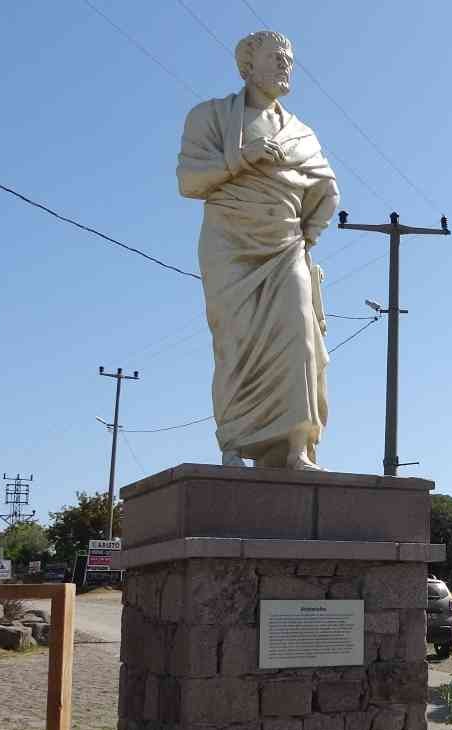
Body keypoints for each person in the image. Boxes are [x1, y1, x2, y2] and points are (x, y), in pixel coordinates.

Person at [176, 30, 340, 471]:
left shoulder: (302, 132)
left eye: (289, 57)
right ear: (246, 67)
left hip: (285, 245)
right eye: (275, 57)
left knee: (299, 338)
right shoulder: (209, 117)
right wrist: (241, 158)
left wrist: (310, 232)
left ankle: (296, 447)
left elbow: (327, 188)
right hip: (230, 244)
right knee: (235, 344)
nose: (286, 64)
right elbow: (189, 182)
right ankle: (233, 444)